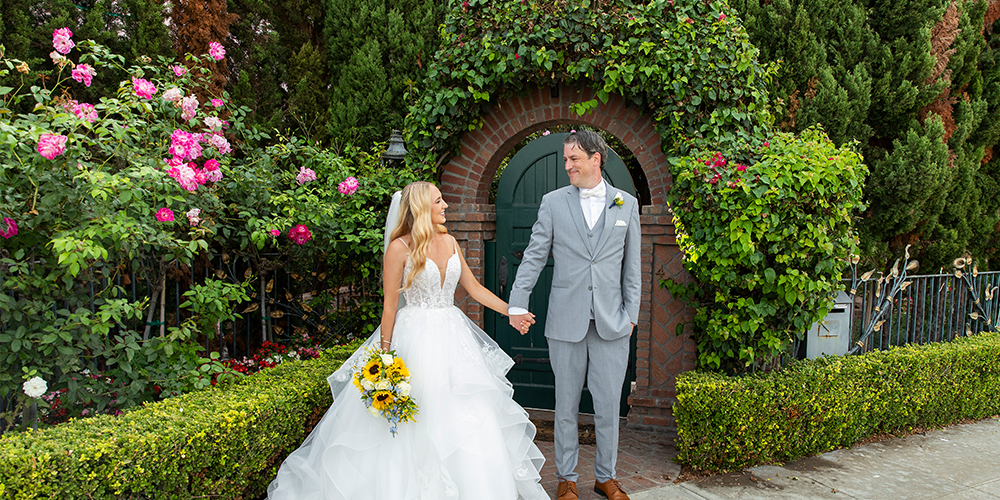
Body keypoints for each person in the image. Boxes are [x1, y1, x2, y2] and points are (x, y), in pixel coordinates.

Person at [267, 181, 548, 500]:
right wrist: (385, 360)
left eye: (444, 201)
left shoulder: (451, 241)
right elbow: (389, 306)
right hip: (414, 336)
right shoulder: (399, 248)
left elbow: (474, 289)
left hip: (453, 336)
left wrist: (511, 312)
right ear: (419, 208)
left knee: (468, 412)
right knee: (420, 414)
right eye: (439, 201)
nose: (445, 206)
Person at [507, 130, 641, 500]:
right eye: (566, 159)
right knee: (564, 404)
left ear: (595, 159)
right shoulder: (553, 203)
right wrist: (518, 302)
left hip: (613, 322)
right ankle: (567, 479)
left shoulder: (625, 204)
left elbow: (632, 268)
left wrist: (631, 315)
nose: (567, 166)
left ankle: (605, 477)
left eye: (574, 159)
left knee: (608, 405)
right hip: (565, 321)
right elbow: (534, 256)